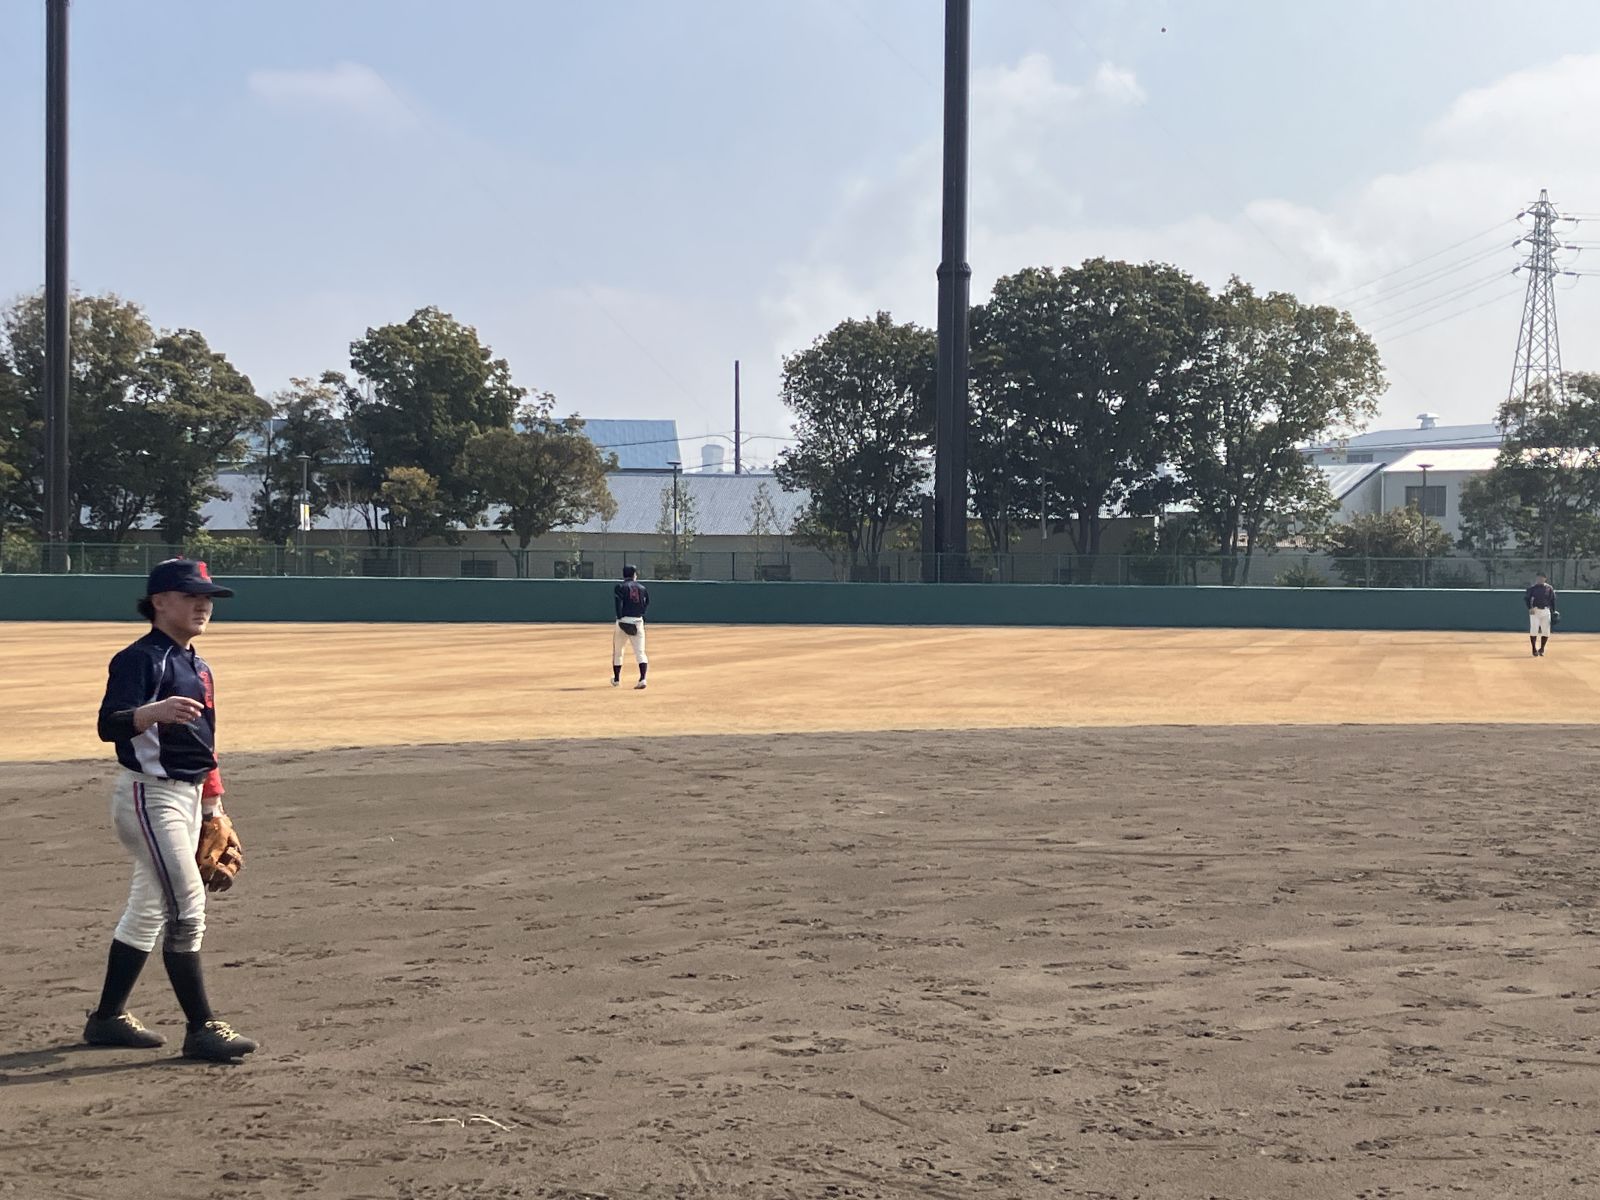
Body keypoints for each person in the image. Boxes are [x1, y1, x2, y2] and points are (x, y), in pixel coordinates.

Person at [85, 558, 258, 1061]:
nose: (203, 605)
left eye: (208, 598)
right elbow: (109, 724)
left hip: (188, 798)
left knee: (147, 909)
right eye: (191, 596)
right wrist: (152, 712)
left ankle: (107, 1019)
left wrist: (214, 808)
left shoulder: (199, 665)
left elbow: (205, 743)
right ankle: (202, 1027)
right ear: (159, 602)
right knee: (187, 906)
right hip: (149, 798)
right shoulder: (139, 659)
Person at [612, 564, 650, 690]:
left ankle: (617, 679)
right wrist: (640, 614)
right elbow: (646, 603)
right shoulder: (642, 588)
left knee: (618, 652)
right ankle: (642, 678)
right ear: (634, 575)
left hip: (623, 621)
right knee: (640, 652)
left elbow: (618, 603)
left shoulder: (620, 587)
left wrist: (620, 617)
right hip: (637, 621)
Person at [1525, 571, 1557, 657]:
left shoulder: (1549, 588)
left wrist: (1553, 611)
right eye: (1538, 578)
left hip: (1546, 610)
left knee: (1546, 631)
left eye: (1542, 577)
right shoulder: (1532, 588)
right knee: (1534, 629)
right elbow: (1527, 599)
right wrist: (1530, 608)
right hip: (1535, 611)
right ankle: (1534, 648)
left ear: (1545, 579)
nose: (1540, 579)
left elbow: (1552, 600)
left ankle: (1542, 648)